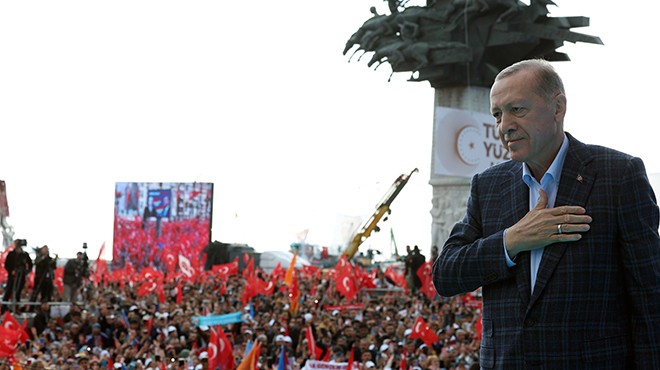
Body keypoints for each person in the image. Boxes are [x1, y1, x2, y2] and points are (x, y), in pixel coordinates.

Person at [432, 59, 660, 368]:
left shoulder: (618, 175)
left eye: (517, 110)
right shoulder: (488, 186)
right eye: (498, 114)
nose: (504, 125)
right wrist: (511, 241)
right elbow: (445, 274)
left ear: (558, 107)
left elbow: (650, 298)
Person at [2, 238, 33, 309]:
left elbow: (30, 264)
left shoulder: (24, 254)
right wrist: (11, 271)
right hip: (12, 276)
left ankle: (16, 307)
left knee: (18, 292)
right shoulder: (11, 254)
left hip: (21, 276)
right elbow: (7, 264)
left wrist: (26, 272)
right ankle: (4, 307)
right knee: (9, 291)